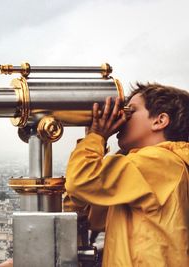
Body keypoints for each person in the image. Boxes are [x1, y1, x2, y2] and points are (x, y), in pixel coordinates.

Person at [66, 83, 189, 266]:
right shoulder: (143, 167)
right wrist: (94, 137)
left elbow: (81, 180)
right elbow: (90, 210)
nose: (122, 118)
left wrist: (96, 136)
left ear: (159, 121)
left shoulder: (161, 162)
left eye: (130, 111)